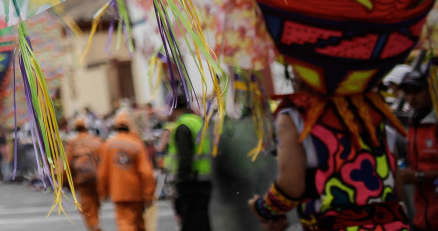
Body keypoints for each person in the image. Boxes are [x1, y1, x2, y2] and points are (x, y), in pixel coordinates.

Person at [249, 76, 408, 231]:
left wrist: (262, 209)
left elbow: (290, 189)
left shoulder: (295, 116)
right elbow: (397, 192)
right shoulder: (375, 111)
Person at [98, 111, 155, 231]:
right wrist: (149, 194)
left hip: (119, 193)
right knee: (139, 224)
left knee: (125, 223)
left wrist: (103, 192)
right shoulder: (137, 144)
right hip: (137, 193)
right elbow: (147, 173)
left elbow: (103, 173)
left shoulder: (108, 145)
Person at [399, 65, 438, 231]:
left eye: (416, 91)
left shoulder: (435, 123)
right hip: (422, 216)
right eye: (407, 93)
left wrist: (419, 176)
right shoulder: (410, 124)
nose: (411, 98)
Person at [166, 99, 212, 231]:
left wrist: (181, 184)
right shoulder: (198, 121)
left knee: (191, 223)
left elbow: (185, 157)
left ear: (174, 109)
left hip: (191, 182)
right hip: (204, 179)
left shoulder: (182, 126)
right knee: (203, 222)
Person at [66, 118, 103, 231]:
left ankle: (94, 226)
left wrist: (66, 181)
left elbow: (67, 163)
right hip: (96, 178)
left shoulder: (73, 143)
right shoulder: (96, 141)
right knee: (95, 204)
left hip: (82, 180)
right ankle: (95, 223)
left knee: (87, 206)